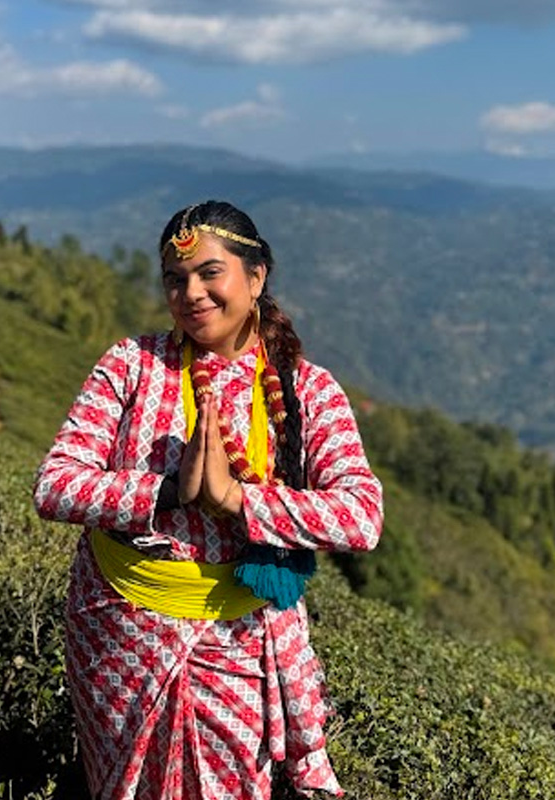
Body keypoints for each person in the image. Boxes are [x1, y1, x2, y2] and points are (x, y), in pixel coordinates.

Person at [33, 200, 383, 799]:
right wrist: (167, 491)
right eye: (175, 279)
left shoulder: (309, 392)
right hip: (119, 636)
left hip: (236, 643)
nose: (191, 293)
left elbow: (362, 516)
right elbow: (56, 484)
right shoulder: (132, 366)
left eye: (209, 273)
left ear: (256, 277)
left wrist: (239, 502)